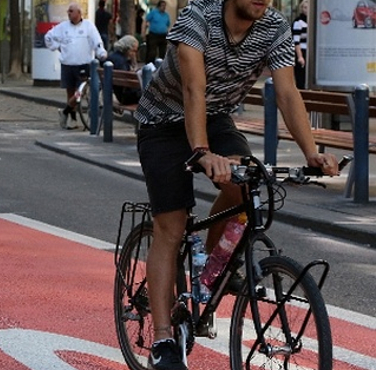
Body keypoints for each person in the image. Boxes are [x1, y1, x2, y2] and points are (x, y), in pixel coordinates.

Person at [133, 0, 339, 369]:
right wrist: (201, 152)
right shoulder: (199, 16)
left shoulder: (274, 26)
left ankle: (212, 271)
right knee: (171, 226)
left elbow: (288, 93)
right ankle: (163, 339)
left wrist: (311, 154)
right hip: (163, 123)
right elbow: (194, 89)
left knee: (245, 188)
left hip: (215, 119)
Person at [44, 2, 107, 130]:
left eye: (71, 11)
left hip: (84, 64)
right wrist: (57, 47)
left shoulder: (88, 26)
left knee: (80, 92)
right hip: (67, 64)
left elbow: (97, 41)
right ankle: (72, 119)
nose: (69, 13)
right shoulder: (63, 27)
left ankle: (65, 111)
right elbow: (48, 37)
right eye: (68, 11)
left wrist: (101, 53)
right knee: (70, 92)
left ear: (79, 13)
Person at [107, 35, 140, 105]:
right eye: (134, 51)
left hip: (118, 93)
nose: (135, 54)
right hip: (125, 96)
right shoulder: (122, 62)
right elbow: (128, 83)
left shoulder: (112, 57)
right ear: (127, 48)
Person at [292, 0, 308, 89]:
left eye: (308, 7)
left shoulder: (312, 21)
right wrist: (300, 57)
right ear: (301, 9)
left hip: (309, 52)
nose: (306, 10)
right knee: (301, 79)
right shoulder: (298, 22)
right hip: (301, 51)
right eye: (305, 7)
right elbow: (296, 41)